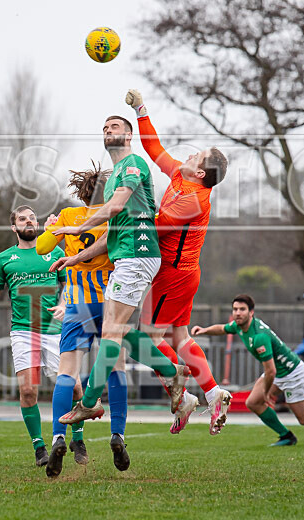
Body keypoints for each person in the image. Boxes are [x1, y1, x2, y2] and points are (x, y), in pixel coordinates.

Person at [54, 114, 190, 443]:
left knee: (111, 333)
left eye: (114, 126)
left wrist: (78, 228)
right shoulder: (116, 173)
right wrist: (76, 257)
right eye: (104, 128)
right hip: (127, 257)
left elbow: (115, 207)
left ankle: (89, 402)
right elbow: (111, 234)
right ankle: (173, 372)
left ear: (129, 135)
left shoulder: (133, 164)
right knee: (118, 334)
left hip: (137, 255)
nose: (107, 131)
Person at [124, 89, 232, 435]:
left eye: (197, 155)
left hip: (174, 273)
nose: (189, 154)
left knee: (149, 336)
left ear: (200, 173)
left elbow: (155, 228)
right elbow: (154, 149)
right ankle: (213, 393)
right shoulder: (181, 176)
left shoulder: (194, 199)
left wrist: (118, 214)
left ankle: (182, 392)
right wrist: (141, 110)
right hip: (182, 273)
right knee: (180, 337)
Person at [37, 163, 131, 476]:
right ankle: (117, 435)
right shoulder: (114, 215)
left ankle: (58, 436)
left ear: (81, 193)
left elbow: (42, 248)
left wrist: (50, 228)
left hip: (78, 303)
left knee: (67, 372)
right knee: (116, 367)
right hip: (111, 301)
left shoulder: (68, 216)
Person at [192, 294, 304, 447]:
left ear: (251, 312)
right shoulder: (239, 326)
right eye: (235, 309)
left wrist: (267, 393)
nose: (238, 313)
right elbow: (222, 328)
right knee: (253, 402)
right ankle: (286, 436)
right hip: (277, 371)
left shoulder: (259, 336)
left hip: (292, 373)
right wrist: (204, 330)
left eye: (242, 309)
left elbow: (271, 371)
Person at [0, 205, 70, 467]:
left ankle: (78, 438)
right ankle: (39, 447)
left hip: (55, 330)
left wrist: (64, 304)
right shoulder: (5, 258)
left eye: (32, 218)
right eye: (22, 219)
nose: (29, 221)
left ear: (37, 224)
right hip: (23, 331)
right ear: (14, 227)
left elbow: (70, 283)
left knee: (71, 387)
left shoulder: (55, 251)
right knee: (28, 390)